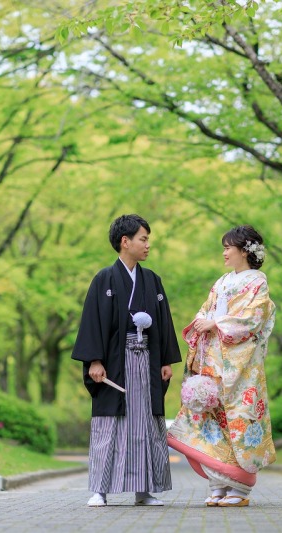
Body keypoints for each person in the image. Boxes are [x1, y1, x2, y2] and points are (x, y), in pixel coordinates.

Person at [72, 214, 182, 507]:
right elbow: (93, 323)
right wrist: (94, 360)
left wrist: (166, 360)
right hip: (115, 364)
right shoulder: (104, 279)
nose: (147, 245)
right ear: (125, 242)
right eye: (143, 239)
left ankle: (144, 490)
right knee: (110, 424)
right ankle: (100, 489)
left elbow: (163, 323)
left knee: (144, 423)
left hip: (146, 360)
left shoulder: (152, 280)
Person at [167, 225, 276, 508]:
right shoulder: (222, 281)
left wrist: (215, 323)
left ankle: (239, 487)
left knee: (238, 420)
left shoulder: (258, 283)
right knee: (212, 420)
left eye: (229, 247)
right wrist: (203, 321)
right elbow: (205, 310)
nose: (225, 252)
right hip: (214, 363)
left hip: (240, 369)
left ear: (245, 250)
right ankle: (218, 484)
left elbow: (253, 319)